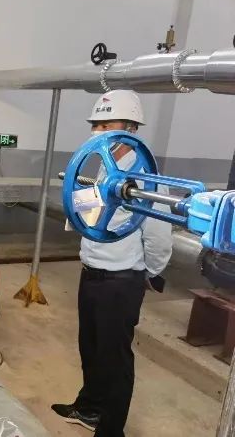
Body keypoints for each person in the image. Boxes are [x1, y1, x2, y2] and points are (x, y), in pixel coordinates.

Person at [51, 90, 173, 437]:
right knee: (90, 346)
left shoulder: (147, 178)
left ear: (131, 128)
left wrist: (149, 273)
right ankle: (89, 408)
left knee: (115, 358)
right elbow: (92, 214)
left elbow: (159, 238)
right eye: (96, 125)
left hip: (121, 280)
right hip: (91, 271)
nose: (98, 131)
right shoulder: (107, 166)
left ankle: (111, 429)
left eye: (107, 125)